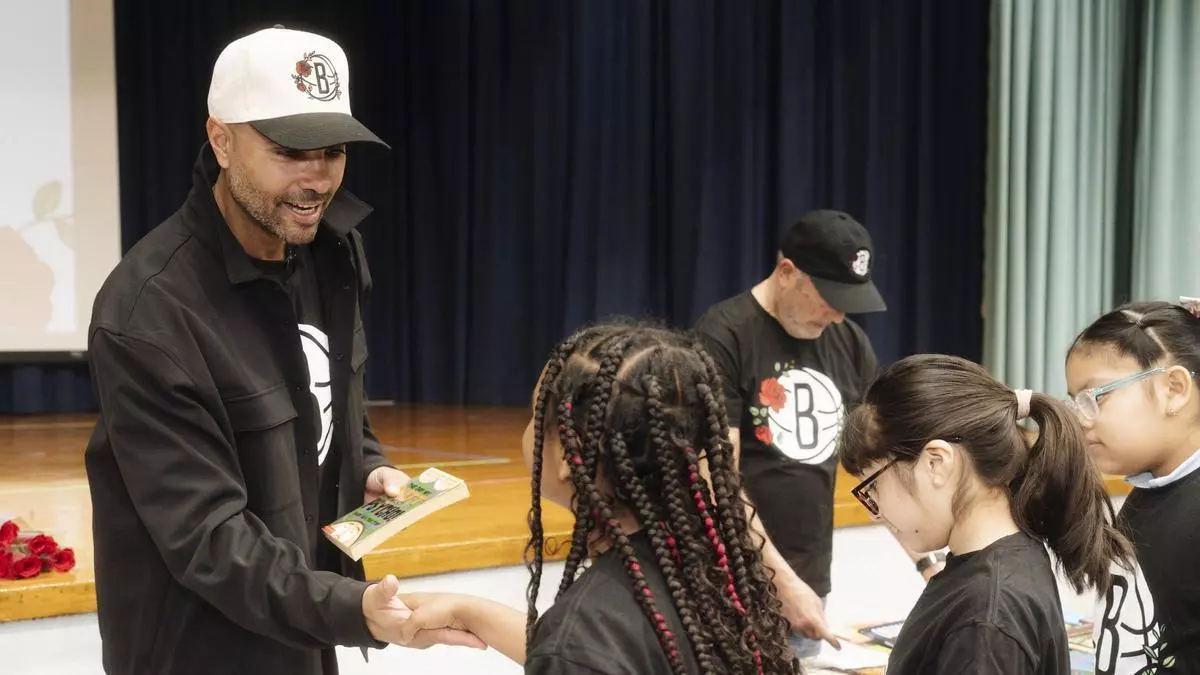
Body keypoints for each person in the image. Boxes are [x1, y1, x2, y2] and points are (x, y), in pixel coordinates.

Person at [83, 26, 479, 674]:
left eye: (333, 151)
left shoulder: (335, 253)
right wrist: (351, 608)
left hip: (303, 629)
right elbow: (207, 536)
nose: (317, 178)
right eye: (290, 151)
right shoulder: (149, 311)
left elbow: (335, 399)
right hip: (196, 652)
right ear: (221, 140)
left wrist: (366, 463)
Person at [390, 322, 800, 674]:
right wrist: (469, 612)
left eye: (536, 416)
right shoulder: (717, 574)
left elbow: (582, 654)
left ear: (567, 455)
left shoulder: (583, 636)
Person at [693, 210, 943, 657]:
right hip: (729, 586)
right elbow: (716, 480)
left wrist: (928, 564)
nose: (838, 313)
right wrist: (780, 581)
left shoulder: (849, 343)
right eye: (829, 297)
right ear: (787, 272)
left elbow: (880, 467)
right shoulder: (723, 336)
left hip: (807, 588)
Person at [838, 353, 1132, 674]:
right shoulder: (1003, 564)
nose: (876, 512)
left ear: (936, 463)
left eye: (874, 487)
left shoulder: (986, 618)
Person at [1065, 300, 1200, 673]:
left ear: (1174, 389)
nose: (1081, 419)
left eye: (1095, 397)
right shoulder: (1148, 494)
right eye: (1075, 403)